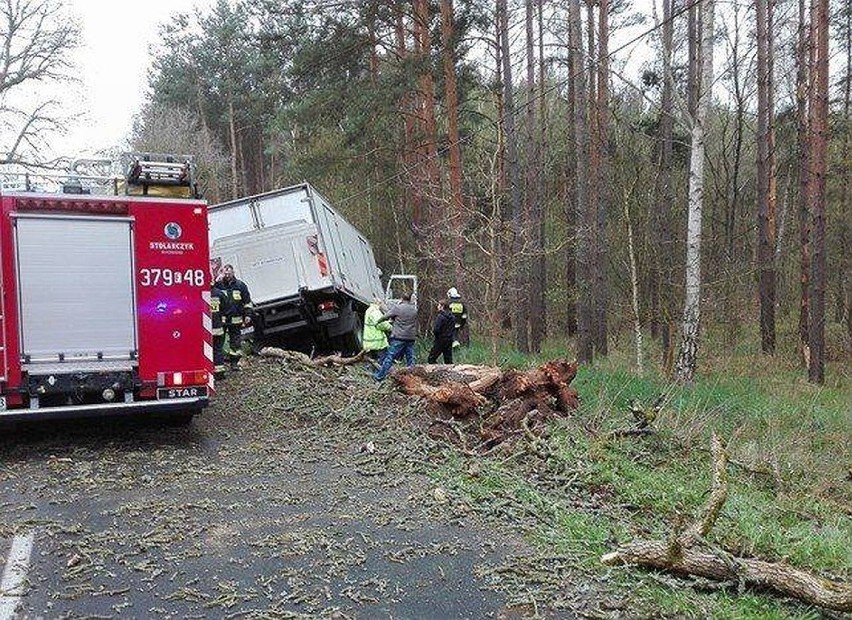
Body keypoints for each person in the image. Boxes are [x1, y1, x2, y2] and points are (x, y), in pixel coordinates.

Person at [372, 292, 417, 381]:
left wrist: (378, 321)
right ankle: (412, 378)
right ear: (410, 299)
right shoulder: (414, 310)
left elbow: (386, 316)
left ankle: (379, 377)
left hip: (399, 337)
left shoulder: (398, 308)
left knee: (390, 357)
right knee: (410, 359)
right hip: (410, 337)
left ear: (401, 298)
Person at [219, 264, 252, 370]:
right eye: (225, 273)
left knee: (235, 343)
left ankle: (234, 363)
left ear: (233, 272)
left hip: (236, 320)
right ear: (222, 273)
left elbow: (247, 302)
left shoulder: (240, 285)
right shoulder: (218, 285)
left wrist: (248, 315)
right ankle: (219, 364)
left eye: (229, 272)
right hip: (222, 321)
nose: (227, 275)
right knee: (219, 342)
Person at [362, 297, 392, 364]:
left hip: (370, 341)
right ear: (379, 303)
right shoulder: (375, 312)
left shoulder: (369, 310)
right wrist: (390, 327)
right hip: (377, 342)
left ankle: (371, 373)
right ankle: (381, 373)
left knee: (372, 362)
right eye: (381, 303)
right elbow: (381, 324)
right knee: (382, 361)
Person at [427, 299, 456, 364]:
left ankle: (437, 371)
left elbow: (436, 329)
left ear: (442, 306)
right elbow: (453, 329)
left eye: (439, 305)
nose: (437, 306)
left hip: (440, 340)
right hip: (449, 340)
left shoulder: (440, 317)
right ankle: (450, 372)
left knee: (431, 358)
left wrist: (436, 336)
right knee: (448, 360)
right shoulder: (453, 317)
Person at [210, 278, 229, 375]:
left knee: (207, 351)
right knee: (218, 349)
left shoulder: (199, 294)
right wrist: (223, 322)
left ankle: (210, 371)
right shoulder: (219, 293)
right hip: (218, 328)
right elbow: (226, 308)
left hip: (206, 331)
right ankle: (219, 372)